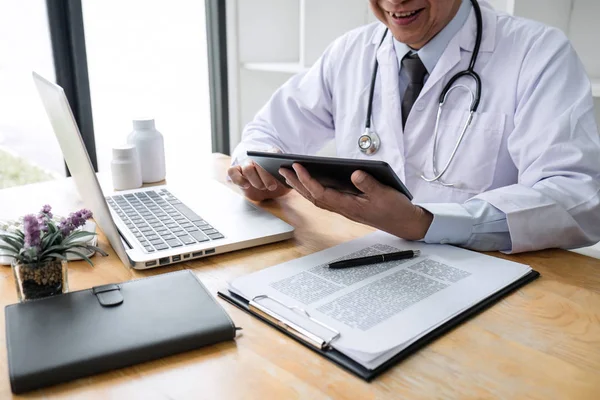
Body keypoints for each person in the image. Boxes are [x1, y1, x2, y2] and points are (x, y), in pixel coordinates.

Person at [227, 0, 600, 253]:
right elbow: (264, 133)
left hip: (488, 276)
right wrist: (258, 172)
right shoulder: (351, 52)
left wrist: (425, 223)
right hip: (369, 260)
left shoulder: (537, 52)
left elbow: (577, 197)